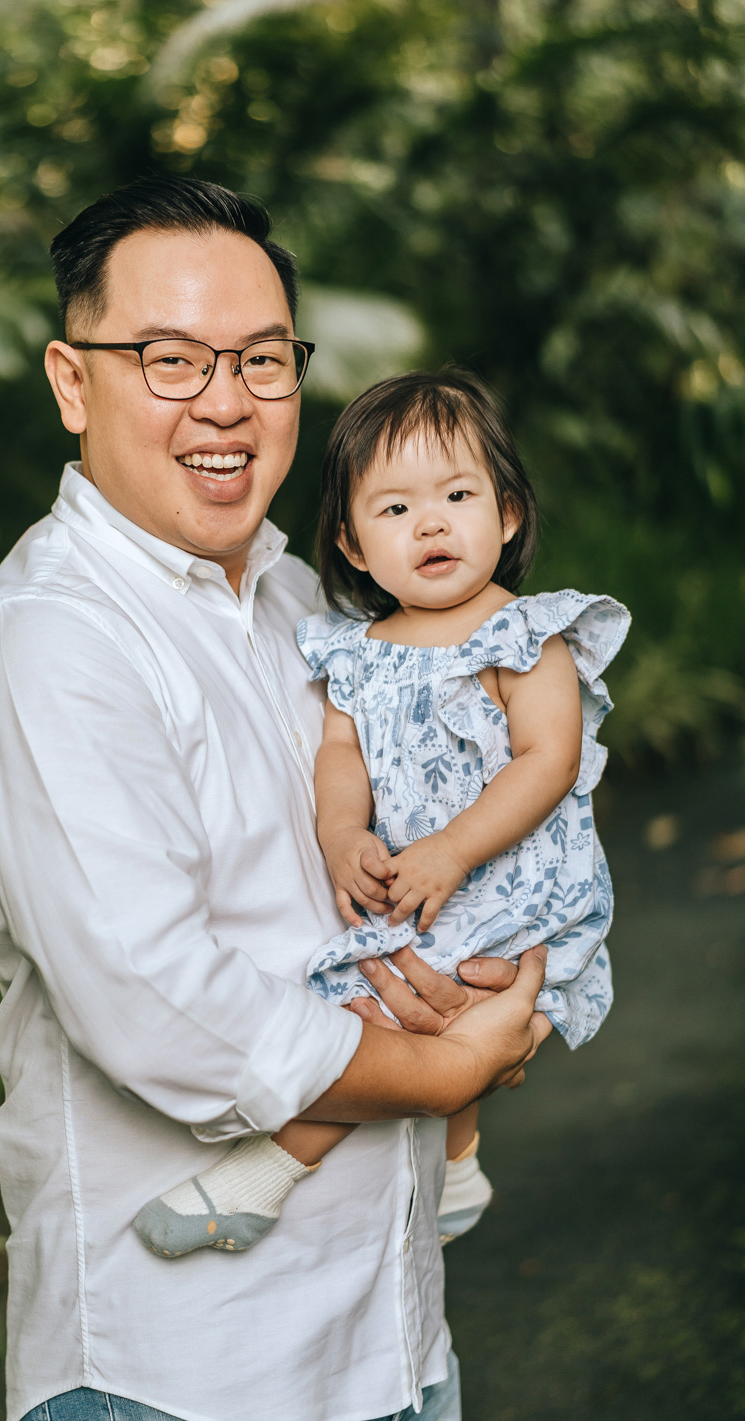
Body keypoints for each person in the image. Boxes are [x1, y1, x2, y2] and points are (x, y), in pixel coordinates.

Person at [0, 176, 555, 1421]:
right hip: (188, 1390)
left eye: (262, 360)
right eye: (170, 359)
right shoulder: (57, 644)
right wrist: (444, 1068)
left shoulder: (298, 598)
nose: (225, 401)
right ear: (71, 381)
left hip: (389, 1348)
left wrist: (493, 963)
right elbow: (159, 1003)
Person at [134, 369, 626, 1260]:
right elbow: (340, 754)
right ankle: (460, 1162)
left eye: (457, 496)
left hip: (512, 880)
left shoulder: (524, 636)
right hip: (425, 880)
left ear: (508, 514)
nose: (430, 524)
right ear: (353, 546)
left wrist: (452, 848)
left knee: (379, 1015)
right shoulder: (356, 652)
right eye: (395, 509)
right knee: (405, 1001)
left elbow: (548, 760)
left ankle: (271, 1169)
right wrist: (340, 833)